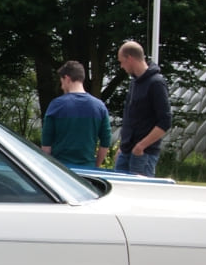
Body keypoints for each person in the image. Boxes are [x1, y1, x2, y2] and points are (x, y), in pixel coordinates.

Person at [114, 41, 172, 177]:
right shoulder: (134, 83)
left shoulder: (156, 83)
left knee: (138, 191)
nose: (121, 66)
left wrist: (141, 146)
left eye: (122, 62)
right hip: (126, 150)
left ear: (130, 58)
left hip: (143, 154)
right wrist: (123, 146)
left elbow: (165, 121)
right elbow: (130, 117)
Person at [41, 61, 111, 168]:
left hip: (60, 169)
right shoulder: (100, 107)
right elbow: (106, 141)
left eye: (62, 82)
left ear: (67, 79)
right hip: (88, 169)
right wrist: (95, 166)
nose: (62, 87)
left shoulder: (56, 106)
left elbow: (46, 145)